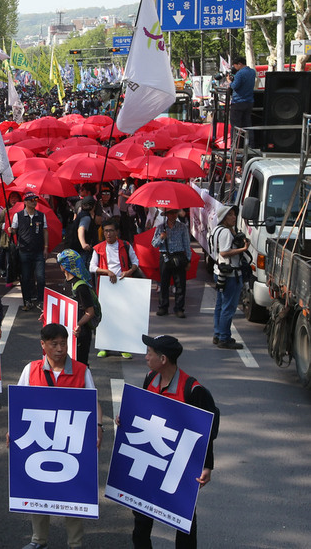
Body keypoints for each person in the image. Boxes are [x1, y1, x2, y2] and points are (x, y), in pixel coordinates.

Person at [15, 323, 103, 549]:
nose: (60, 349)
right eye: (54, 344)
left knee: (72, 492)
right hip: (40, 440)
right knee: (38, 488)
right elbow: (20, 404)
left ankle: (75, 543)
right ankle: (38, 540)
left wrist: (99, 427)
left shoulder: (82, 370)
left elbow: (94, 404)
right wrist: (12, 431)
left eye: (63, 343)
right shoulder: (31, 369)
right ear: (43, 345)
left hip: (71, 441)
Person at [132, 334, 218, 549]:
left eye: (149, 353)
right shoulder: (150, 379)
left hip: (180, 465)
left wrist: (207, 465)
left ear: (163, 359)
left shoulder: (193, 390)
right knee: (141, 516)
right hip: (151, 459)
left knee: (183, 517)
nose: (145, 357)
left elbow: (206, 431)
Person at [54, 250, 100, 365]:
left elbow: (90, 312)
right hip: (71, 332)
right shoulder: (67, 283)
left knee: (81, 365)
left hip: (81, 334)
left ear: (64, 267)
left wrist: (78, 325)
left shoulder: (81, 287)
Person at [211, 205, 247, 349]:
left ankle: (218, 334)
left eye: (234, 214)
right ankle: (224, 338)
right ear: (224, 218)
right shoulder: (225, 232)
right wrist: (243, 249)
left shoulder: (216, 230)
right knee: (228, 307)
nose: (234, 217)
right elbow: (224, 252)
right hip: (230, 274)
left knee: (220, 305)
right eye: (231, 215)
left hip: (218, 271)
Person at [9, 193, 48, 311]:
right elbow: (14, 230)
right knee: (25, 278)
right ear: (25, 202)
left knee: (41, 277)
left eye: (35, 199)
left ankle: (41, 300)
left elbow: (45, 231)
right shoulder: (18, 215)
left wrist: (46, 247)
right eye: (31, 200)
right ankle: (27, 300)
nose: (34, 202)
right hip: (23, 252)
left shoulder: (41, 216)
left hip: (38, 251)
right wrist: (11, 230)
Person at [151, 209, 190, 318]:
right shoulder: (160, 227)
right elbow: (154, 244)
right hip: (165, 257)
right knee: (164, 284)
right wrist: (161, 237)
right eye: (170, 213)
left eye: (175, 213)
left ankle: (179, 308)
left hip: (179, 256)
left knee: (180, 284)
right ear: (167, 214)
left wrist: (188, 260)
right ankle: (163, 307)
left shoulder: (182, 227)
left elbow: (187, 244)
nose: (173, 215)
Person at [228, 56, 256, 131]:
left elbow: (234, 86)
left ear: (239, 64)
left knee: (235, 125)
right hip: (249, 101)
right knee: (247, 124)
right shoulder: (252, 72)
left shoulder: (239, 73)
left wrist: (229, 82)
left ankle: (236, 142)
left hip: (238, 102)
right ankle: (250, 142)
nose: (234, 68)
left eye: (235, 65)